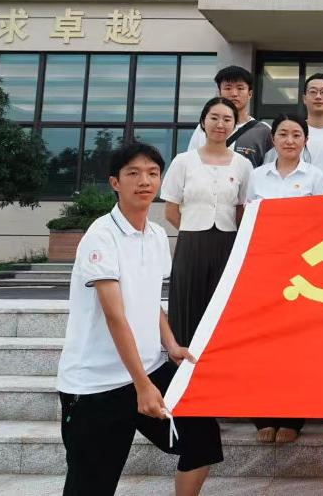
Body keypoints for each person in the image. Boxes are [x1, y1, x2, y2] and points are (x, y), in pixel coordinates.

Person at [56, 142, 221, 496]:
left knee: (202, 440)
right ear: (115, 183)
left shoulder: (157, 234)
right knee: (91, 486)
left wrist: (171, 344)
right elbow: (115, 316)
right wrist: (142, 385)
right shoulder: (101, 237)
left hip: (150, 368)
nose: (144, 181)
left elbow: (148, 301)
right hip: (97, 386)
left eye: (152, 173)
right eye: (133, 173)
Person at [245, 112, 323, 443]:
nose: (290, 140)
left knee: (296, 344)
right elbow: (246, 221)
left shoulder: (315, 177)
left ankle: (293, 419)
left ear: (305, 140)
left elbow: (322, 224)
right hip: (262, 269)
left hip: (301, 271)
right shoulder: (256, 176)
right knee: (262, 343)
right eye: (283, 134)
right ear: (273, 139)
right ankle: (262, 416)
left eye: (296, 134)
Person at [162, 98, 251, 350]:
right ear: (203, 121)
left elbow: (242, 208)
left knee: (221, 306)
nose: (220, 124)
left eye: (227, 119)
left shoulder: (243, 165)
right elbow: (170, 211)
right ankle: (182, 361)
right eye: (214, 117)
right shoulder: (183, 161)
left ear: (234, 125)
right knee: (187, 302)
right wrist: (192, 230)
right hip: (190, 242)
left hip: (227, 243)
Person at [187, 65, 273, 168]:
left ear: (250, 94)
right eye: (228, 88)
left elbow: (270, 169)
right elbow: (190, 163)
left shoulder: (263, 131)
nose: (234, 93)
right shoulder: (204, 127)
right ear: (219, 93)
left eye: (240, 88)